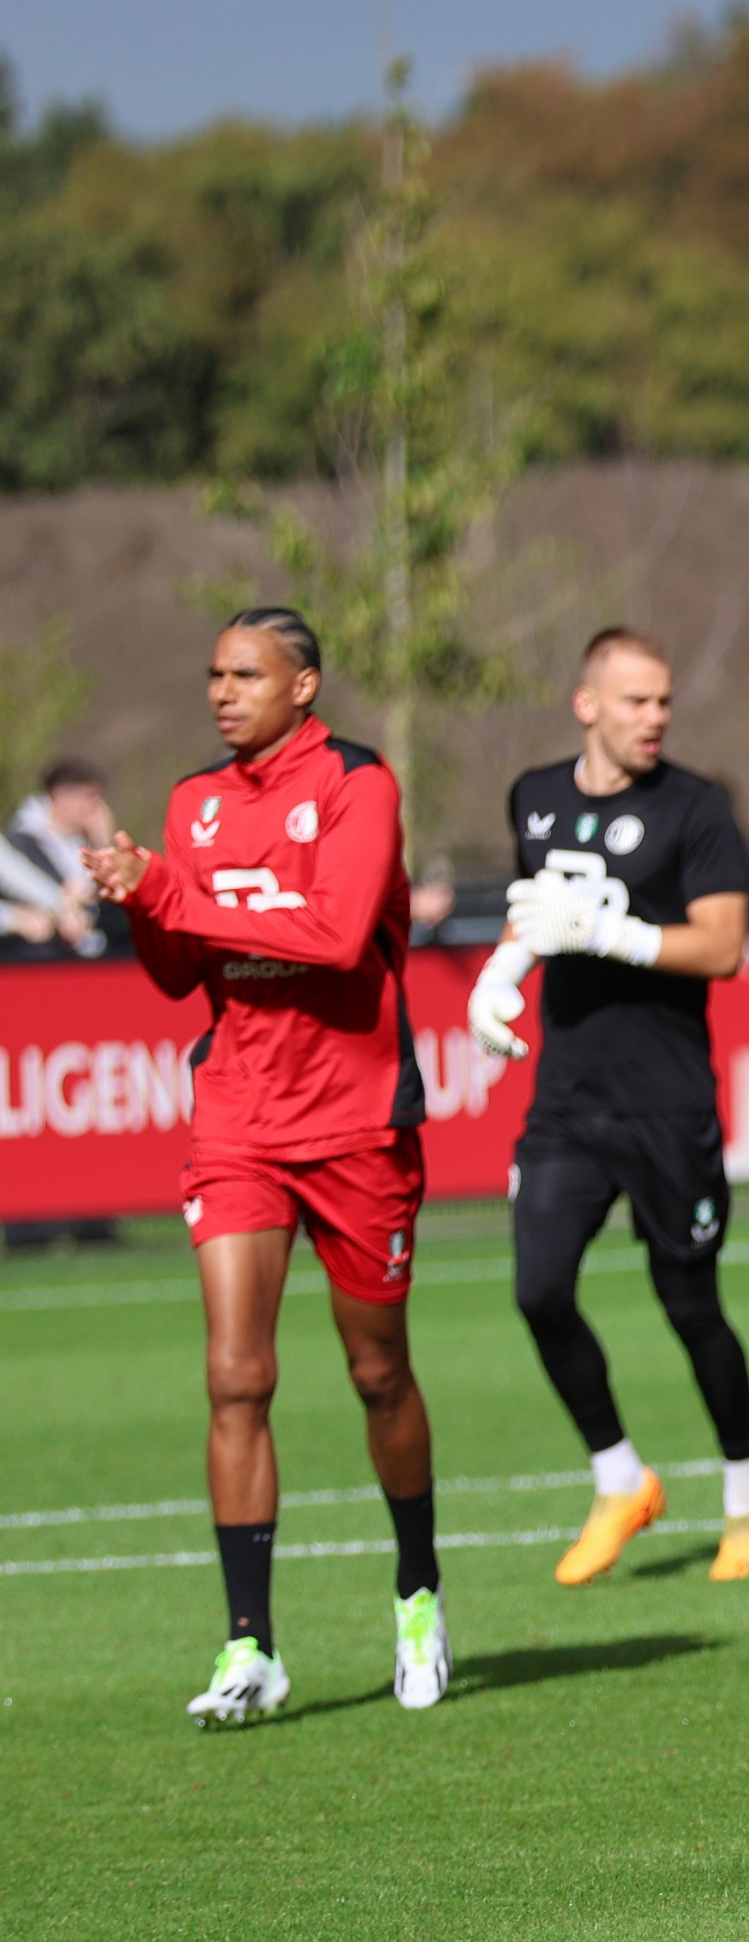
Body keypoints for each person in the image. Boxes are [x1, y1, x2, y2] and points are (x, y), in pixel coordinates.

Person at [86, 610, 448, 1723]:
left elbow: (339, 935)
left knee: (377, 1371)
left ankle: (419, 1590)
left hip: (354, 1121)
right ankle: (251, 1644)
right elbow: (174, 971)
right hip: (238, 1117)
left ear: (306, 684)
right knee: (235, 1375)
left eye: (247, 673)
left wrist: (178, 891)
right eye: (212, 673)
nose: (222, 691)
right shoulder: (196, 801)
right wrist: (147, 898)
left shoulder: (359, 782)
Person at [466, 628, 749, 1588]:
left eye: (664, 702)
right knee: (538, 1289)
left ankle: (747, 1497)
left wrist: (612, 932)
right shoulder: (535, 794)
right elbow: (539, 908)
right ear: (586, 702)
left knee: (690, 1306)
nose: (655, 718)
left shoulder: (696, 808)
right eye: (636, 701)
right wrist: (499, 976)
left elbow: (723, 947)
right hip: (567, 1098)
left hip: (666, 1100)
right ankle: (619, 1478)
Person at [1, 758, 113, 955]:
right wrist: (12, 918)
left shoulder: (79, 840)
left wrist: (102, 845)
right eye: (90, 797)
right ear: (60, 796)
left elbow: (13, 873)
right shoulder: (25, 840)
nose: (97, 808)